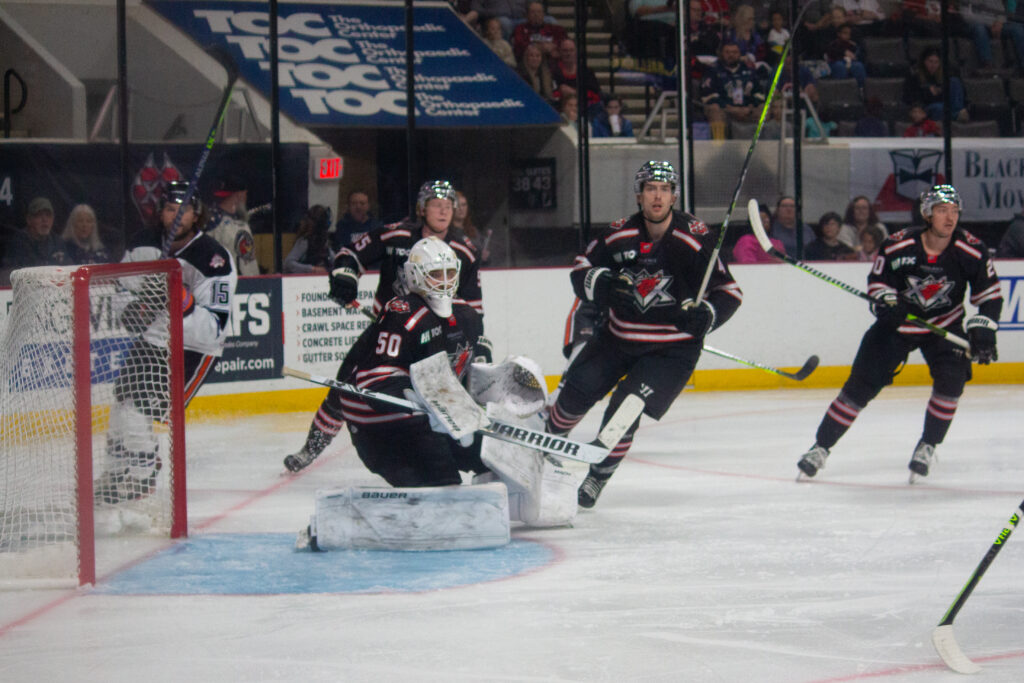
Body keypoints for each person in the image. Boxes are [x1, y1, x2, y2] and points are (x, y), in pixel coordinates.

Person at [544, 161, 743, 508]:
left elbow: (730, 292)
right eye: (651, 188)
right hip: (617, 339)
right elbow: (581, 269)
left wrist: (706, 315)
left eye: (665, 189)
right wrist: (602, 284)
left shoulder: (695, 238)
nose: (657, 196)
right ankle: (544, 451)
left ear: (674, 196)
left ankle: (597, 476)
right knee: (572, 397)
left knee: (624, 411)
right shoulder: (619, 233)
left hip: (671, 353)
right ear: (639, 195)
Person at [795, 184, 1002, 482]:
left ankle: (928, 445)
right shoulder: (897, 244)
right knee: (858, 388)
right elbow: (878, 282)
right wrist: (888, 304)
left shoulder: (972, 249)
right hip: (898, 325)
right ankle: (820, 448)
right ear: (927, 214)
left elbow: (990, 295)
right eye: (942, 210)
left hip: (945, 327)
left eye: (954, 211)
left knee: (951, 383)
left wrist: (984, 328)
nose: (950, 217)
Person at [282, 236, 493, 476]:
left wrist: (480, 345)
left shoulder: (462, 248)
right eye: (436, 205)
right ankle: (310, 449)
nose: (442, 212)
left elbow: (473, 309)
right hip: (386, 328)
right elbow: (350, 254)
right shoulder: (399, 234)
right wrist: (344, 276)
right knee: (342, 389)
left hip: (432, 327)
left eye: (447, 206)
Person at [95, 180, 237, 503]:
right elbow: (123, 291)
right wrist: (135, 309)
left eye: (184, 210)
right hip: (152, 340)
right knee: (120, 408)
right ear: (161, 213)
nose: (177, 216)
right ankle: (116, 473)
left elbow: (214, 329)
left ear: (195, 214)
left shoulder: (214, 258)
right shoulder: (143, 244)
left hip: (193, 349)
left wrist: (180, 300)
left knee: (136, 411)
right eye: (171, 209)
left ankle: (143, 477)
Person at [700, 40, 766, 140]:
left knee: (764, 109)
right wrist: (730, 108)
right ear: (721, 54)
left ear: (740, 54)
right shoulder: (713, 71)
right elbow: (709, 97)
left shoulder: (749, 71)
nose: (731, 55)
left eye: (734, 52)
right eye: (727, 52)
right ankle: (719, 149)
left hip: (747, 110)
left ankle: (762, 149)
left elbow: (759, 94)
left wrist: (750, 107)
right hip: (725, 110)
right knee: (714, 110)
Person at [204, 174, 259, 276]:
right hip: (225, 281)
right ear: (240, 195)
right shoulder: (214, 224)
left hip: (245, 282)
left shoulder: (241, 222)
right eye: (245, 195)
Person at [903, 46, 969, 124]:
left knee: (955, 81)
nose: (933, 65)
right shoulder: (915, 77)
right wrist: (928, 93)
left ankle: (959, 112)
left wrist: (940, 91)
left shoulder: (945, 75)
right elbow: (910, 97)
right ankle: (956, 116)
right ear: (924, 62)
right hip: (927, 107)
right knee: (939, 107)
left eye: (936, 62)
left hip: (947, 105)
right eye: (930, 61)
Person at [2, 196, 69, 271]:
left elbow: (69, 269)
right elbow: (10, 273)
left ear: (53, 219)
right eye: (39, 215)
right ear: (29, 219)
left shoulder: (58, 242)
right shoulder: (18, 243)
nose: (44, 219)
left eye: (48, 215)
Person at [963, 0, 1024, 72]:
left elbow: (1001, 12)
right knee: (980, 29)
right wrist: (991, 23)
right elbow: (967, 17)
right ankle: (987, 64)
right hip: (977, 24)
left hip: (995, 24)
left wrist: (999, 22)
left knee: (1018, 28)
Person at [551, 38, 604, 113]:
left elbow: (596, 94)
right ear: (559, 52)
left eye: (571, 50)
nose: (568, 54)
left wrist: (574, 93)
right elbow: (550, 94)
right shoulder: (553, 71)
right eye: (565, 50)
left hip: (584, 108)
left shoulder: (586, 71)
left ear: (576, 52)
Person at [284, 205, 334, 274]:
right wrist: (312, 269)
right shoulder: (305, 241)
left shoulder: (325, 243)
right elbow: (288, 264)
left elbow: (334, 261)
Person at [825, 22, 867, 88]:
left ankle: (861, 88)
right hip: (836, 62)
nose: (847, 35)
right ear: (839, 34)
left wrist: (854, 55)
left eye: (849, 34)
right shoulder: (834, 44)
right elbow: (831, 53)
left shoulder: (853, 45)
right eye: (845, 33)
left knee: (858, 66)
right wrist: (843, 52)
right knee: (839, 66)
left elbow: (859, 55)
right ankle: (841, 88)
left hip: (851, 62)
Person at [517, 43, 557, 108]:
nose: (534, 58)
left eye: (537, 56)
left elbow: (549, 96)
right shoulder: (520, 74)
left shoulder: (546, 74)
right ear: (526, 57)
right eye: (531, 56)